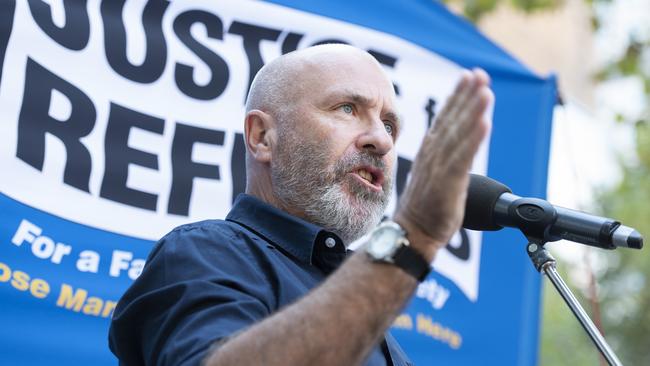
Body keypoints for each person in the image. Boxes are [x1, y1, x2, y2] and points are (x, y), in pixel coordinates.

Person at [109, 44, 493, 366]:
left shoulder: (372, 309)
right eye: (347, 108)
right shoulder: (204, 252)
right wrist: (415, 237)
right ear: (262, 137)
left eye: (390, 125)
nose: (381, 139)